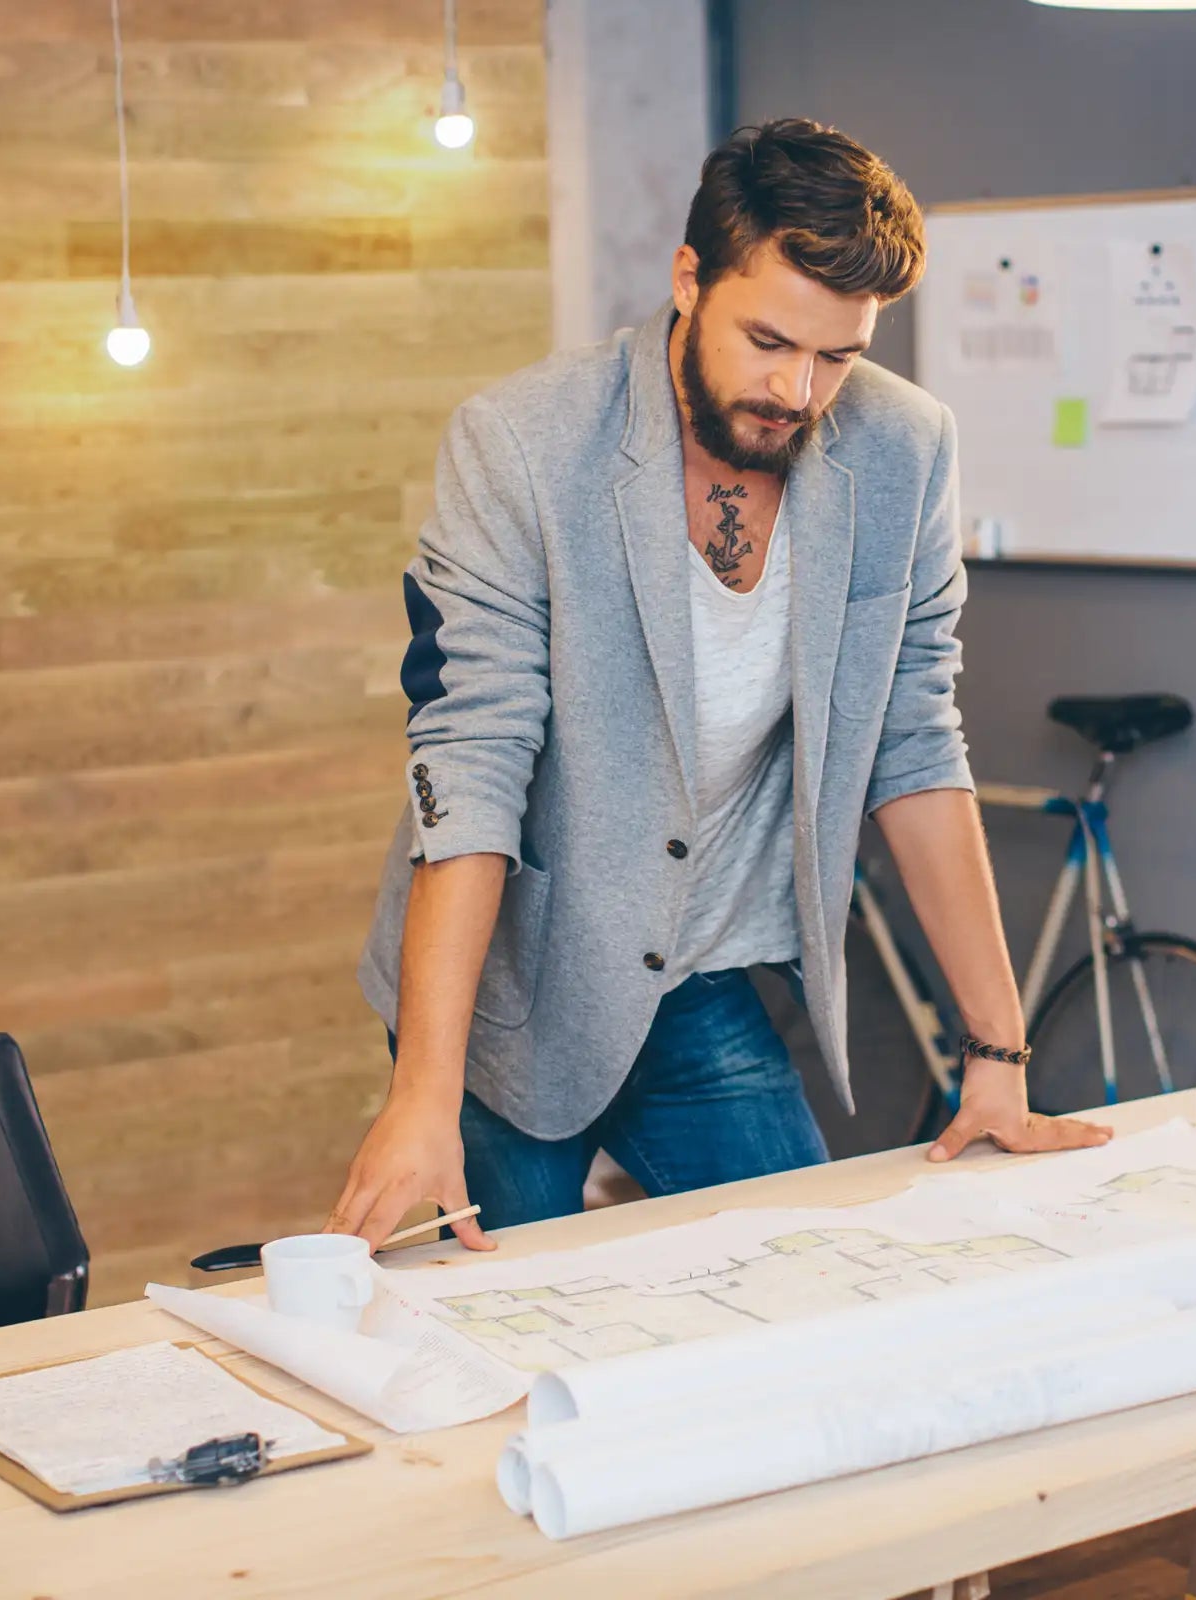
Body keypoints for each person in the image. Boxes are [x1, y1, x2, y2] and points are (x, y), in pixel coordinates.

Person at [327, 118, 1110, 1252]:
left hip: (701, 981)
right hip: (517, 988)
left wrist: (996, 1060)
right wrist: (421, 1097)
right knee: (496, 1325)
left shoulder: (906, 451)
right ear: (690, 278)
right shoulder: (525, 444)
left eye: (837, 356)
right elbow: (474, 757)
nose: (798, 389)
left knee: (805, 1291)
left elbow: (915, 743)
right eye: (770, 340)